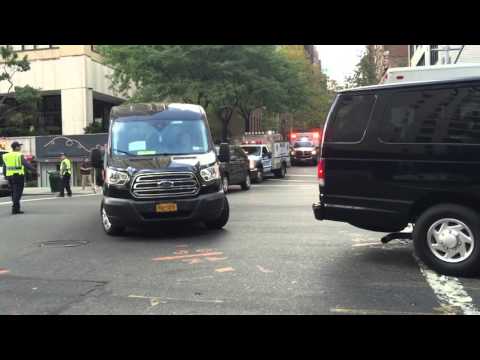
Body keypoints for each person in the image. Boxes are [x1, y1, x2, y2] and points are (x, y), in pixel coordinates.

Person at [1, 141, 37, 215]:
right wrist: (34, 169)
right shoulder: (19, 155)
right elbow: (25, 163)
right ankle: (15, 208)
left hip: (9, 176)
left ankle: (16, 207)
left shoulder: (6, 155)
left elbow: (5, 167)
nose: (20, 147)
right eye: (19, 146)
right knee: (18, 192)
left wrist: (6, 176)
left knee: (13, 192)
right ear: (16, 147)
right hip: (18, 176)